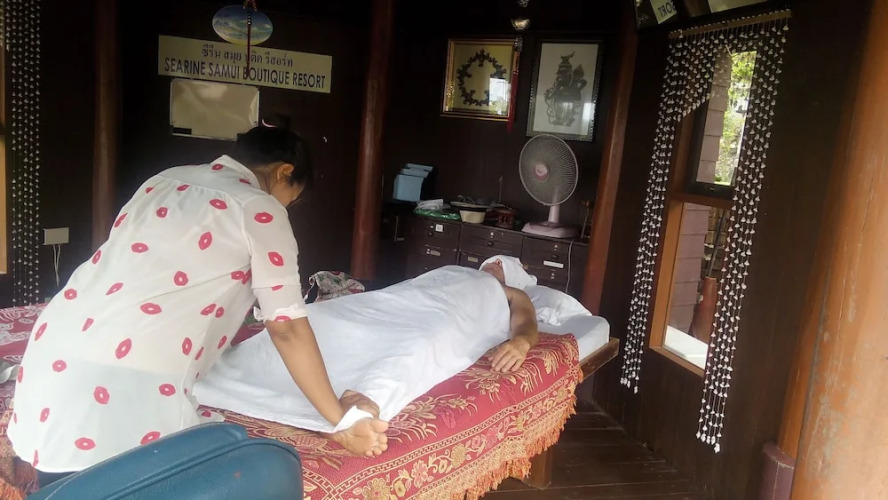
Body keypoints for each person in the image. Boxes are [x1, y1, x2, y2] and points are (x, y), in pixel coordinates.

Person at [8, 126, 388, 487]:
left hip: (52, 350)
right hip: (119, 382)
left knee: (64, 482)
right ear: (284, 172)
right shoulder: (260, 208)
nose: (288, 205)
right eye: (294, 196)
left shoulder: (163, 180)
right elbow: (286, 326)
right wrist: (339, 418)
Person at [192, 257, 541, 432]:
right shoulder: (449, 269)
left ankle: (358, 411)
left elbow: (525, 321)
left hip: (440, 318)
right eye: (492, 262)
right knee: (322, 317)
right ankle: (230, 371)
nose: (493, 266)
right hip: (393, 304)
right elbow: (408, 290)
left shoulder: (507, 291)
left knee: (418, 345)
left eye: (501, 265)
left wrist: (522, 343)